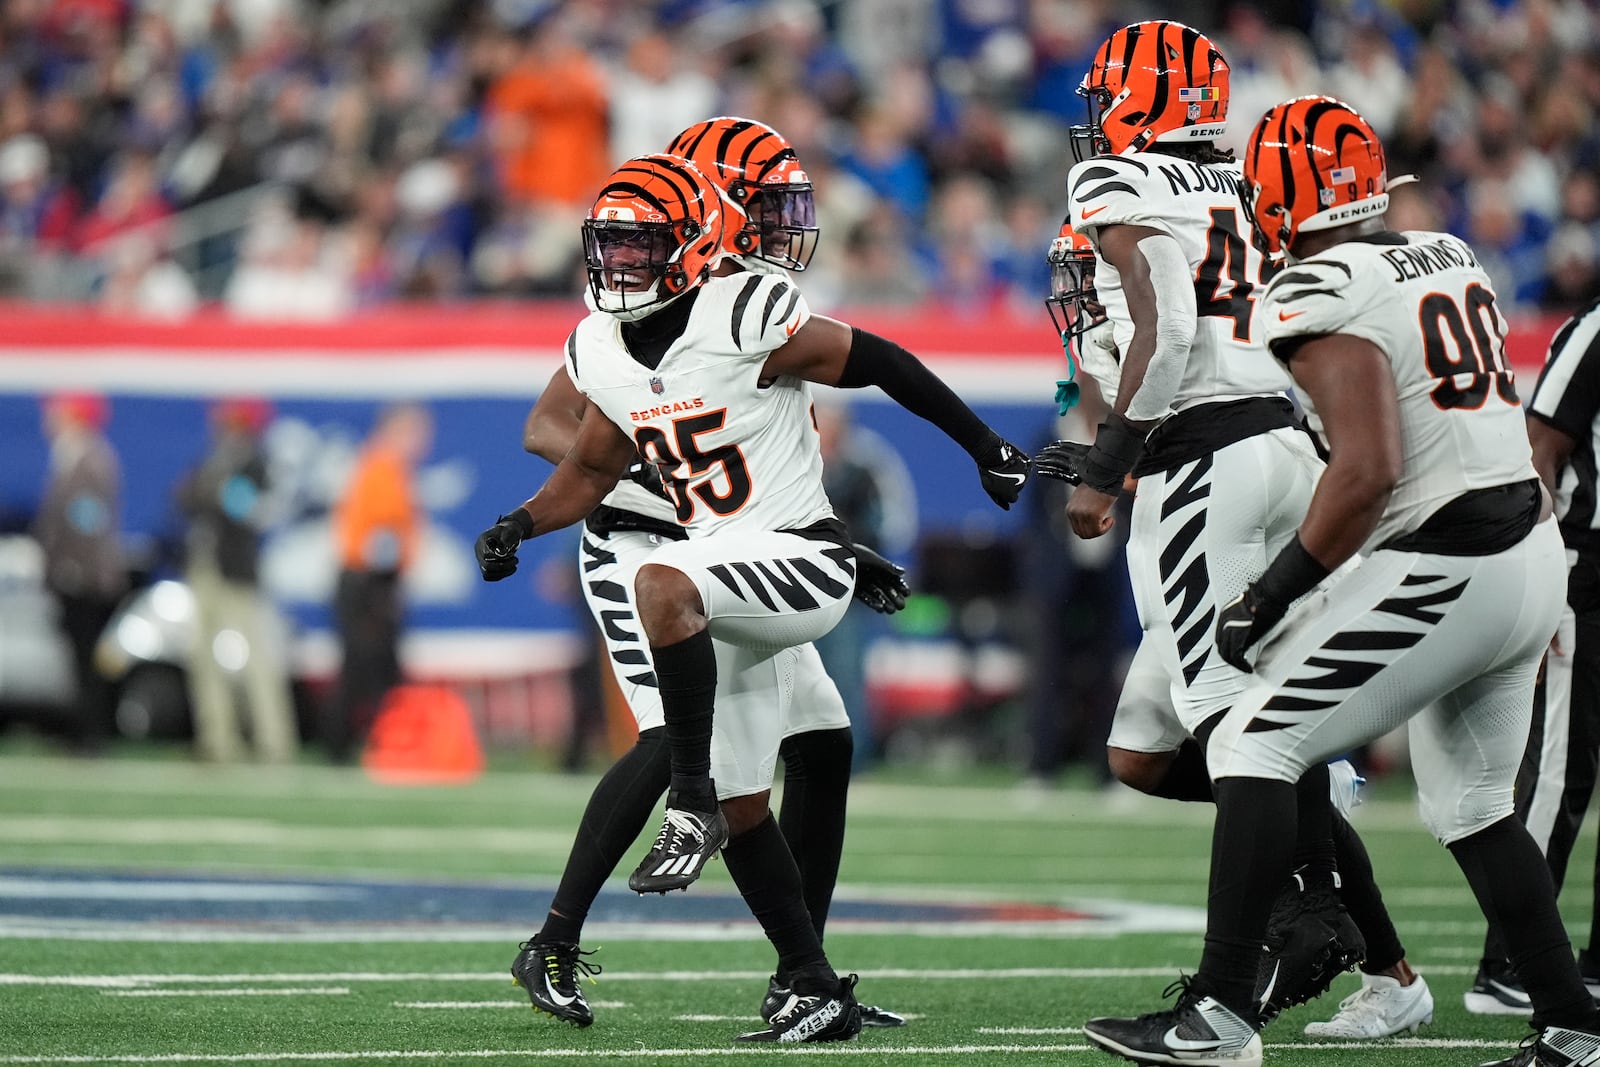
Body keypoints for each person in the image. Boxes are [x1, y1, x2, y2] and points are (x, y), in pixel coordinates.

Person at [1082, 94, 1600, 1067]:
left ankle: (1218, 1012)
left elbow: (1363, 470)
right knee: (1478, 807)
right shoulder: (1448, 251)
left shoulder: (1316, 288)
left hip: (1452, 559)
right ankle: (1572, 1021)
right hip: (1532, 554)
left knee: (1252, 734)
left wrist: (1269, 591)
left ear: (1279, 201)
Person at [476, 152, 1027, 1042]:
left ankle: (686, 813)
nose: (619, 263)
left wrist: (984, 445)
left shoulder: (747, 311)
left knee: (721, 726)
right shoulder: (602, 345)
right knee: (785, 766)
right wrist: (519, 521)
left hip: (757, 563)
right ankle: (805, 978)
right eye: (610, 245)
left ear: (693, 240)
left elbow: (873, 365)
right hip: (707, 561)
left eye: (639, 245)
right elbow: (584, 463)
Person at [1043, 21, 1429, 1038]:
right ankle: (1380, 956)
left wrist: (1108, 459)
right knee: (1140, 746)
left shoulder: (1115, 186)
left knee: (1235, 719)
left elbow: (1168, 321)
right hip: (1283, 449)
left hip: (1201, 461)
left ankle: (1272, 943)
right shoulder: (1247, 185)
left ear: (1138, 101)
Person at [509, 117, 908, 1032]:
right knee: (675, 747)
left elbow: (771, 477)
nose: (780, 226)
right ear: (713, 207)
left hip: (731, 553)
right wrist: (661, 468)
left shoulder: (741, 302)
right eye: (763, 205)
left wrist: (839, 547)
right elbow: (550, 428)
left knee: (824, 742)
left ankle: (803, 975)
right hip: (641, 548)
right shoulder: (641, 294)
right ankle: (555, 937)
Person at [1469, 292, 1600, 1015]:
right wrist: (1542, 569)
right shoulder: (1595, 333)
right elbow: (1540, 448)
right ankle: (1509, 961)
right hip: (1587, 568)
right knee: (1561, 768)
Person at [176, 397, 297, 764]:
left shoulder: (254, 463)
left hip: (236, 569)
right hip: (205, 564)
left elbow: (243, 511)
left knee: (256, 658)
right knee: (202, 655)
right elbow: (185, 496)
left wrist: (211, 496)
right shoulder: (215, 459)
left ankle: (273, 740)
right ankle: (217, 738)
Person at [326, 402, 432, 763]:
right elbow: (382, 535)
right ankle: (354, 742)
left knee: (366, 665)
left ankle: (358, 741)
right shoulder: (383, 468)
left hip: (366, 581)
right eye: (417, 433)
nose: (423, 443)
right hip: (368, 582)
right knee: (367, 665)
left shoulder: (381, 466)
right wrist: (385, 588)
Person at [34, 391, 125, 751]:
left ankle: (91, 734)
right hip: (74, 572)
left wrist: (73, 566)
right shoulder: (71, 456)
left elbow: (88, 520)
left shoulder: (90, 459)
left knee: (87, 657)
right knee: (77, 657)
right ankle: (82, 729)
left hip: (85, 577)